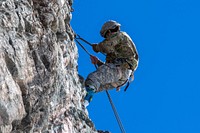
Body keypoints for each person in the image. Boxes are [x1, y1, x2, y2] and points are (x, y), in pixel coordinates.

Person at [84, 20, 139, 106]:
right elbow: (111, 68)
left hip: (121, 70)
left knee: (93, 78)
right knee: (92, 86)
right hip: (122, 78)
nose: (107, 38)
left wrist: (97, 47)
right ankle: (83, 100)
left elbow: (106, 46)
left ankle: (84, 101)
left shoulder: (120, 35)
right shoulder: (120, 46)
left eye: (106, 36)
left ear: (109, 31)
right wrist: (98, 62)